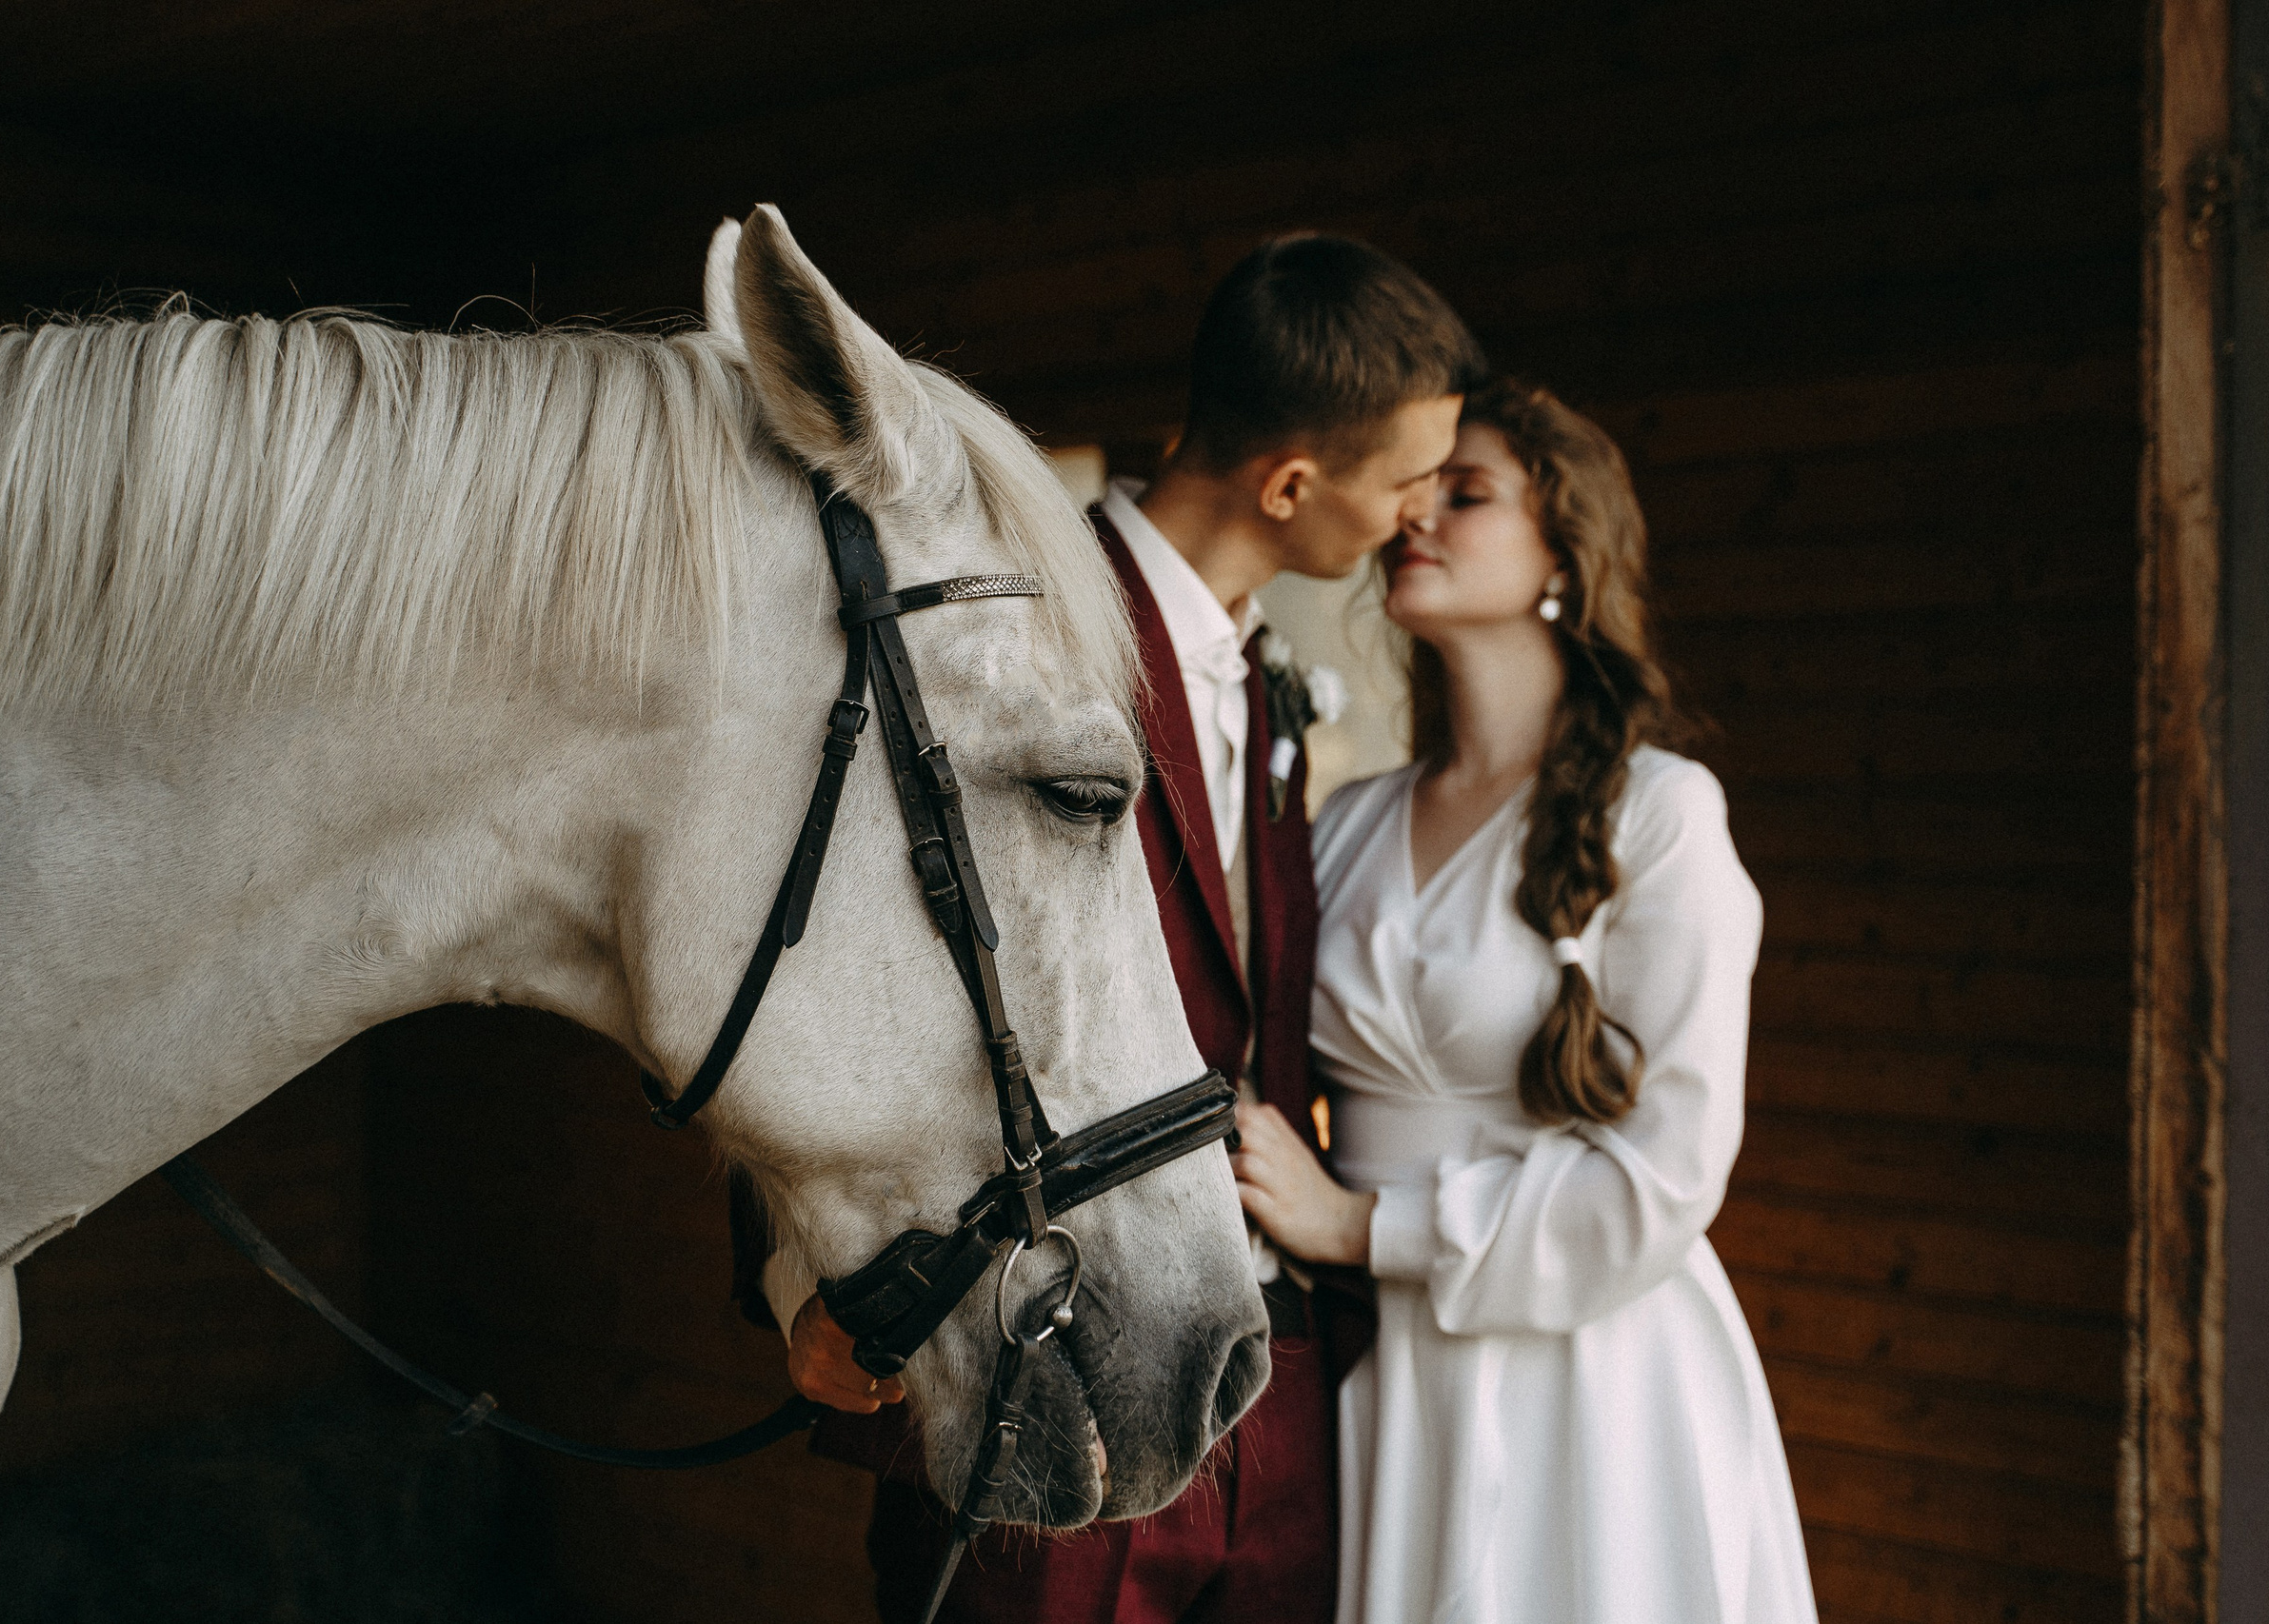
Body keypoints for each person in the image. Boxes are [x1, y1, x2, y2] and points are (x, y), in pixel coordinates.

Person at [744, 232, 1486, 1624]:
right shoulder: (1003, 632)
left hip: (1270, 1384)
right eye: (1402, 483)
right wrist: (804, 1282)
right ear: (1291, 483)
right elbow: (823, 936)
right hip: (1050, 1377)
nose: (1413, 516)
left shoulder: (1265, 679)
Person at [1230, 378, 1821, 1623]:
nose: (1416, 518)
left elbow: (1669, 1172)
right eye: (1414, 491)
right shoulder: (1351, 824)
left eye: (1467, 492)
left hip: (1596, 1368)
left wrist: (1359, 1229)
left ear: (1565, 549)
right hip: (1390, 1378)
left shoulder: (1659, 815)